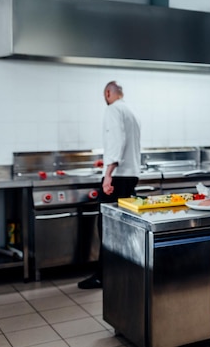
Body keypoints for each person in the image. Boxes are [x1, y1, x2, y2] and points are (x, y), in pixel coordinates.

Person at [78, 81, 141, 289]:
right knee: (124, 227)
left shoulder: (113, 110)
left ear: (108, 93)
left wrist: (108, 173)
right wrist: (108, 162)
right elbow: (125, 143)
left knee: (107, 227)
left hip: (119, 176)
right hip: (131, 174)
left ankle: (103, 276)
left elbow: (117, 140)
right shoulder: (131, 110)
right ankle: (123, 271)